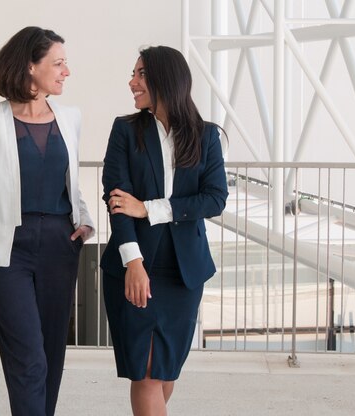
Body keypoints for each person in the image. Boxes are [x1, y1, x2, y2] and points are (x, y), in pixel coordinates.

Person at [0, 26, 94, 416]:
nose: (67, 71)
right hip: (6, 253)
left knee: (51, 356)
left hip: (59, 243)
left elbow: (72, 181)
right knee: (28, 359)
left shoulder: (70, 117)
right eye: (58, 62)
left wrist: (84, 221)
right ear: (31, 67)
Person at [100, 45, 228, 415]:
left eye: (141, 74)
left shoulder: (205, 136)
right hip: (134, 265)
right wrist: (133, 263)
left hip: (183, 273)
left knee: (166, 370)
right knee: (146, 372)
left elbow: (215, 199)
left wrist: (152, 208)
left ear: (165, 80)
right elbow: (118, 202)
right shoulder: (125, 130)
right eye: (134, 73)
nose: (132, 82)